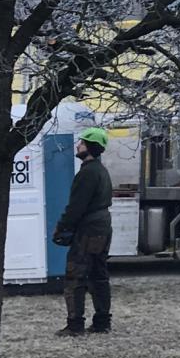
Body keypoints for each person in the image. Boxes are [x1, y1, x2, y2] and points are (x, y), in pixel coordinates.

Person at [53, 127, 113, 336]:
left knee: (75, 275)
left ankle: (75, 324)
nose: (78, 146)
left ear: (90, 147)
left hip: (88, 230)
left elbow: (76, 207)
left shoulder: (87, 173)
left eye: (82, 143)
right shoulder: (101, 170)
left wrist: (62, 227)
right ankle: (102, 322)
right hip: (103, 227)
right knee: (99, 275)